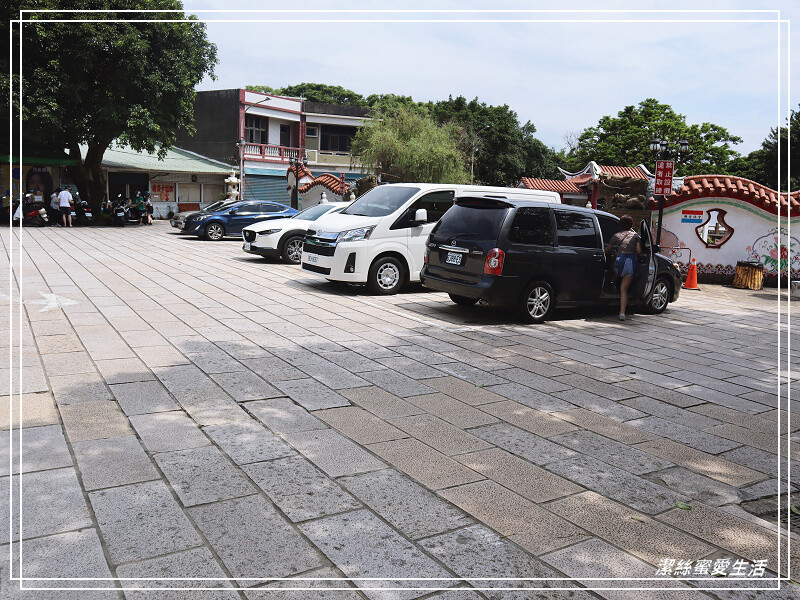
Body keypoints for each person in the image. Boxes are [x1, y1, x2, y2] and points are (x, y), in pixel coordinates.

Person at [604, 214, 642, 321]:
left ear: (620, 224)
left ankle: (613, 281)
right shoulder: (636, 236)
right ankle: (622, 313)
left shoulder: (616, 236)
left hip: (620, 261)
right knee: (624, 289)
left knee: (613, 268)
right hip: (631, 262)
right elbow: (639, 251)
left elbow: (606, 250)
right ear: (631, 224)